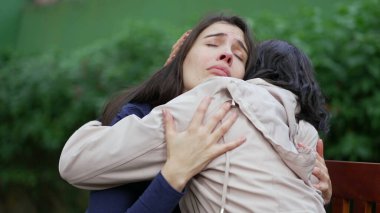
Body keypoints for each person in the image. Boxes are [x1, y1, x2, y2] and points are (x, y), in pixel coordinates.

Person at [59, 15, 332, 212]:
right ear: (181, 55)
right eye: (213, 44)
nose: (226, 54)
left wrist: (318, 188)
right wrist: (174, 175)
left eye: (239, 55)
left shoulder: (229, 107)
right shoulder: (158, 115)